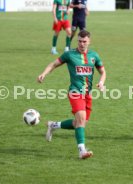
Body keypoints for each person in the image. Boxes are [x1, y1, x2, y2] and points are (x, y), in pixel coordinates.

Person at [37, 30, 106, 159]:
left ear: (89, 41)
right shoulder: (69, 54)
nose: (81, 44)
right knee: (81, 119)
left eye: (84, 41)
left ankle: (53, 125)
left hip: (88, 94)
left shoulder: (94, 56)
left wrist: (101, 82)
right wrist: (44, 73)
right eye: (79, 41)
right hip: (75, 92)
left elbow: (103, 72)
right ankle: (82, 151)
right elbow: (54, 64)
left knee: (79, 123)